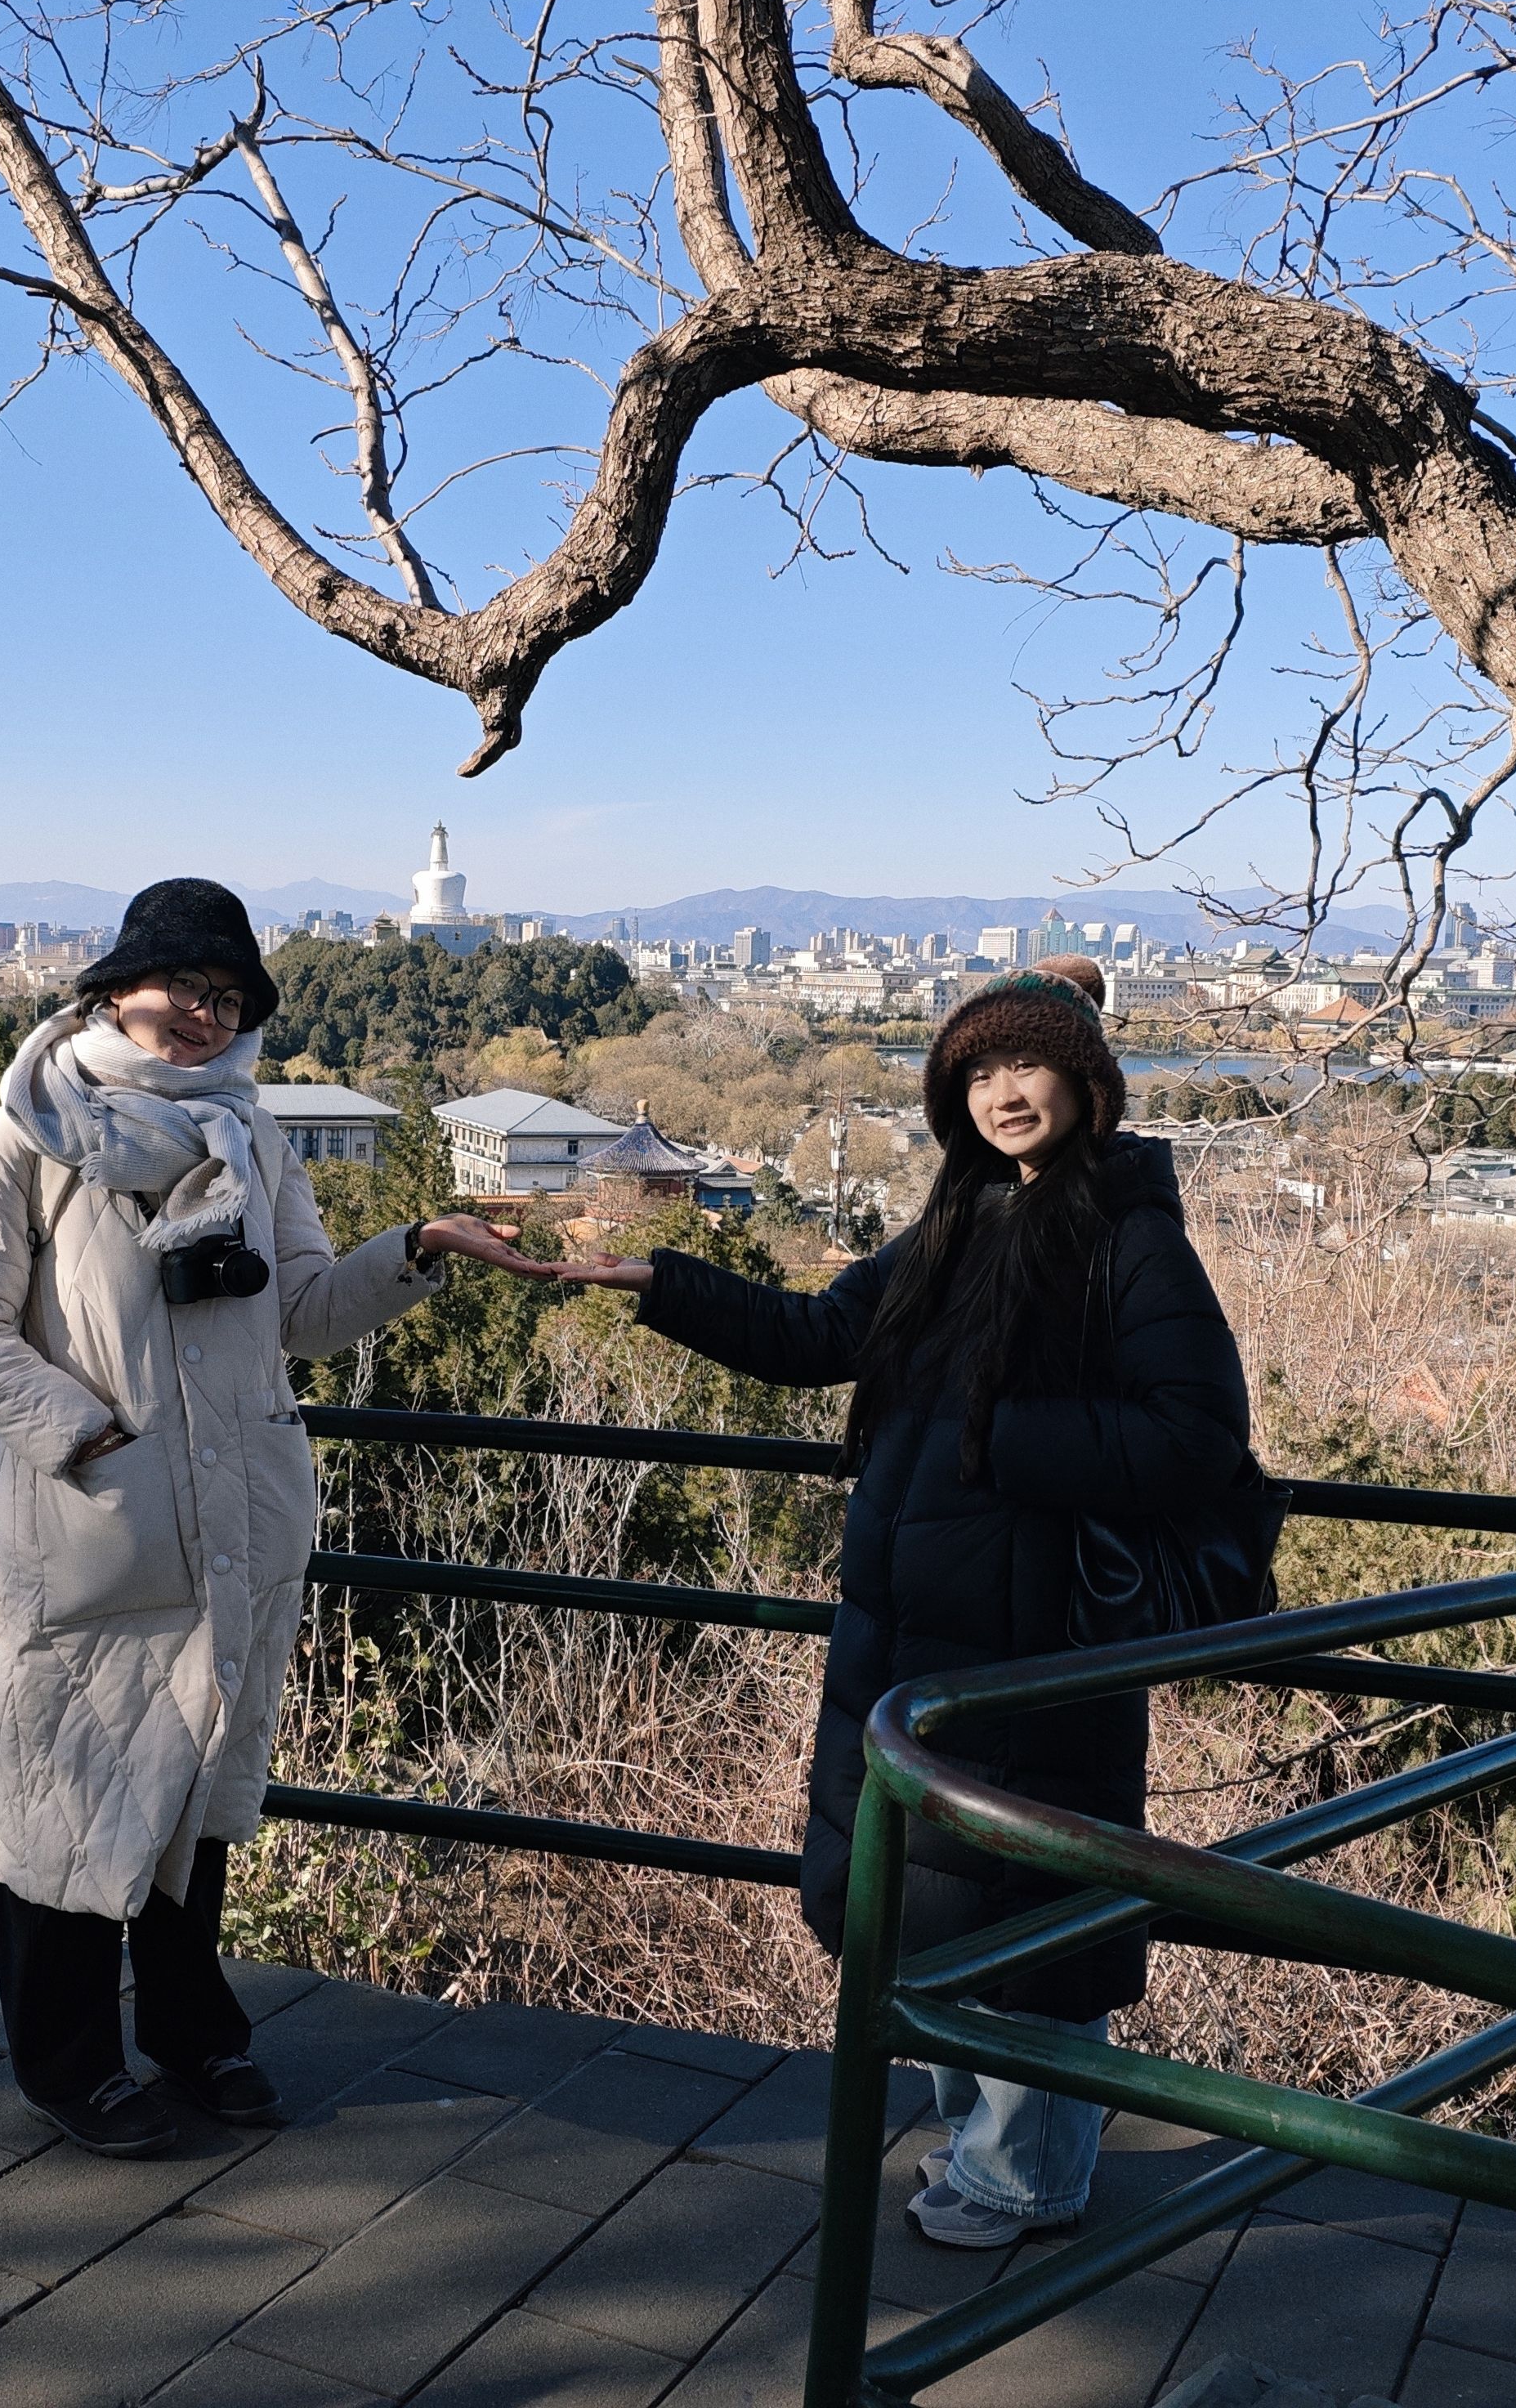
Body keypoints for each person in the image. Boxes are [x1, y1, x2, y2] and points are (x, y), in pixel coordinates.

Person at [546, 956, 1258, 2246]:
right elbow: (818, 1336)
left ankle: (1025, 2178)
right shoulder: (958, 1225)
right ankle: (988, 2152)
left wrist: (1001, 1441)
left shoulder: (1129, 1237)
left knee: (1030, 1921)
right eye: (978, 1072)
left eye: (1027, 1063)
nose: (1003, 1093)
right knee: (939, 1906)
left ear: (1087, 1082)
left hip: (1037, 1644)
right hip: (921, 1633)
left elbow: (1197, 1435)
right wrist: (651, 1284)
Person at [0, 877, 545, 2156]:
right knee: (71, 1793)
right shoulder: (25, 1137)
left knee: (197, 1796)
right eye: (184, 988)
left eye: (229, 997)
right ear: (115, 991)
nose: (205, 1014)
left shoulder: (254, 1137)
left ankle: (194, 2033)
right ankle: (68, 2063)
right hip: (99, 1532)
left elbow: (303, 1312)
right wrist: (86, 1434)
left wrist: (416, 1249)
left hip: (237, 1525)